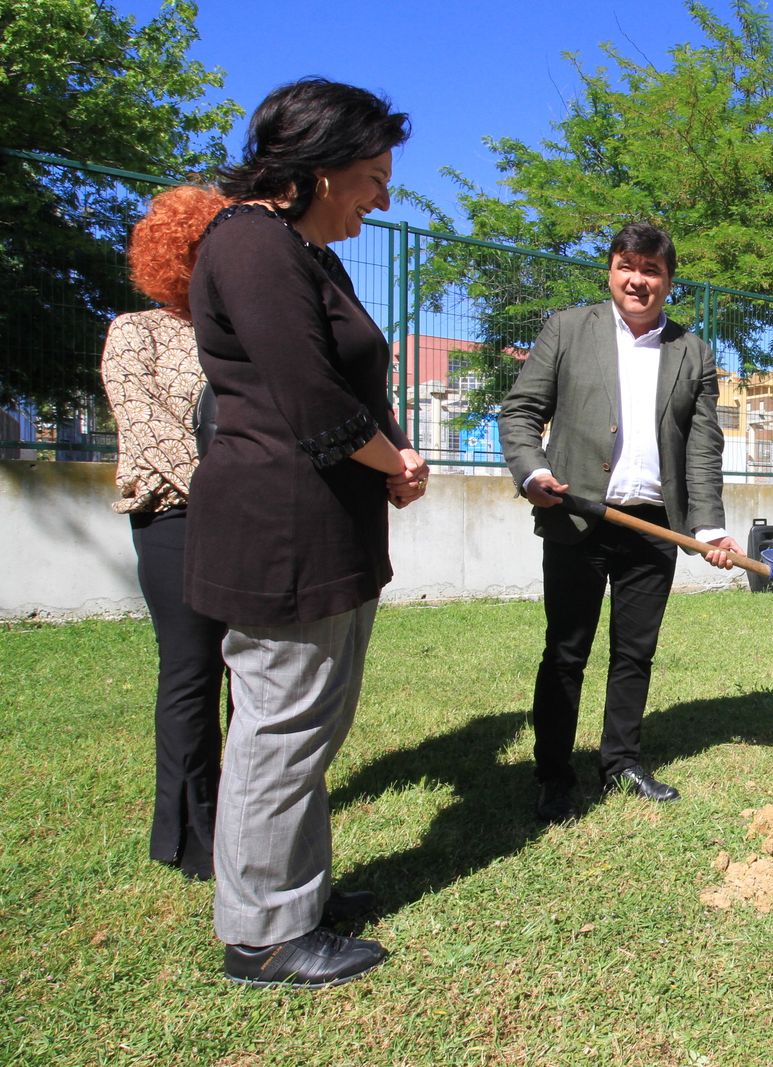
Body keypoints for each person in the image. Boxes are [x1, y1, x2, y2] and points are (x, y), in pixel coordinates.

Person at [185, 78, 425, 988]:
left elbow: (353, 384)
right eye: (370, 177)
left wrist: (391, 450)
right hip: (279, 532)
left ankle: (297, 893)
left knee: (308, 726)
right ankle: (262, 936)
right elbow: (315, 401)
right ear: (317, 171)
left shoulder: (306, 252)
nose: (382, 199)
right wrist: (392, 463)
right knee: (280, 729)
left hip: (325, 527)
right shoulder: (251, 246)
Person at [498, 221, 740, 823]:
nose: (638, 280)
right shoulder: (566, 330)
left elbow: (702, 448)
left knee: (635, 652)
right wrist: (531, 474)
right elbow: (521, 411)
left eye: (652, 270)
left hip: (653, 526)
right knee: (566, 650)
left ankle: (622, 761)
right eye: (627, 266)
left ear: (669, 281)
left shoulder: (693, 351)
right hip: (577, 518)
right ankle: (554, 774)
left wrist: (706, 527)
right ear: (610, 271)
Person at [101, 184, 231, 881]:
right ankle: (187, 829)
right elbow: (151, 435)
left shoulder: (238, 335)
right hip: (175, 519)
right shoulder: (136, 333)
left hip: (245, 523)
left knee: (252, 674)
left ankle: (246, 817)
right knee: (190, 671)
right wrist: (234, 495)